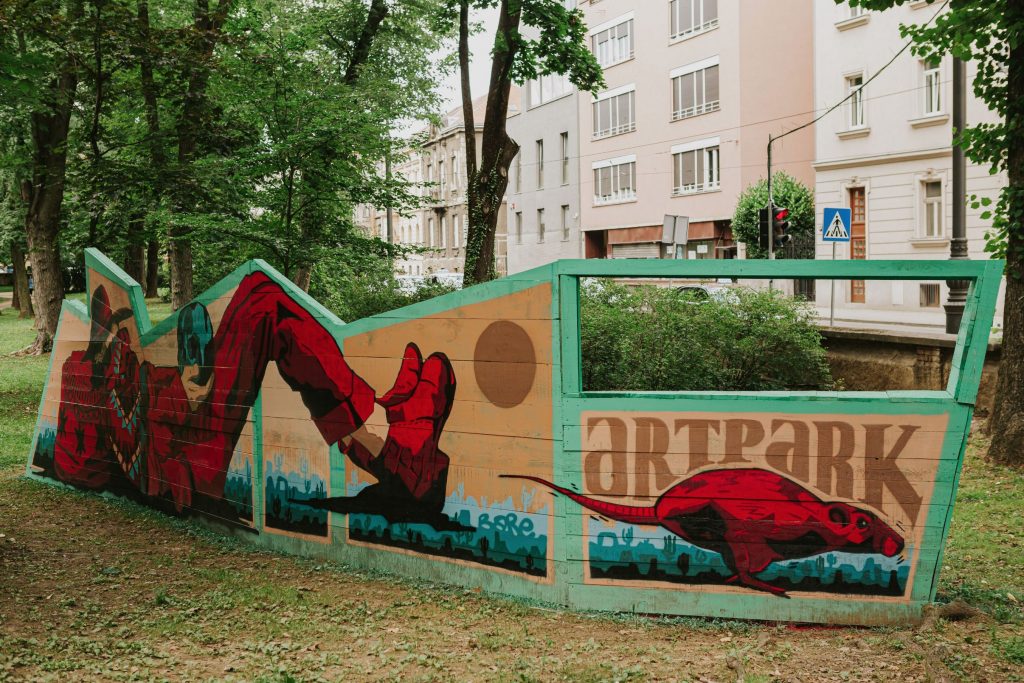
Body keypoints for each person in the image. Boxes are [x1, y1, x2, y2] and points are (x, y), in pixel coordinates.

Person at [52, 272, 456, 525]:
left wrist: (180, 385)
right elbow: (77, 465)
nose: (123, 342)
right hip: (182, 468)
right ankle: (389, 445)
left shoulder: (121, 374)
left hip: (185, 428)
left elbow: (149, 389)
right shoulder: (83, 378)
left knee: (260, 296)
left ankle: (386, 443)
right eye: (115, 334)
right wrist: (167, 394)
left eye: (122, 334)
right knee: (264, 303)